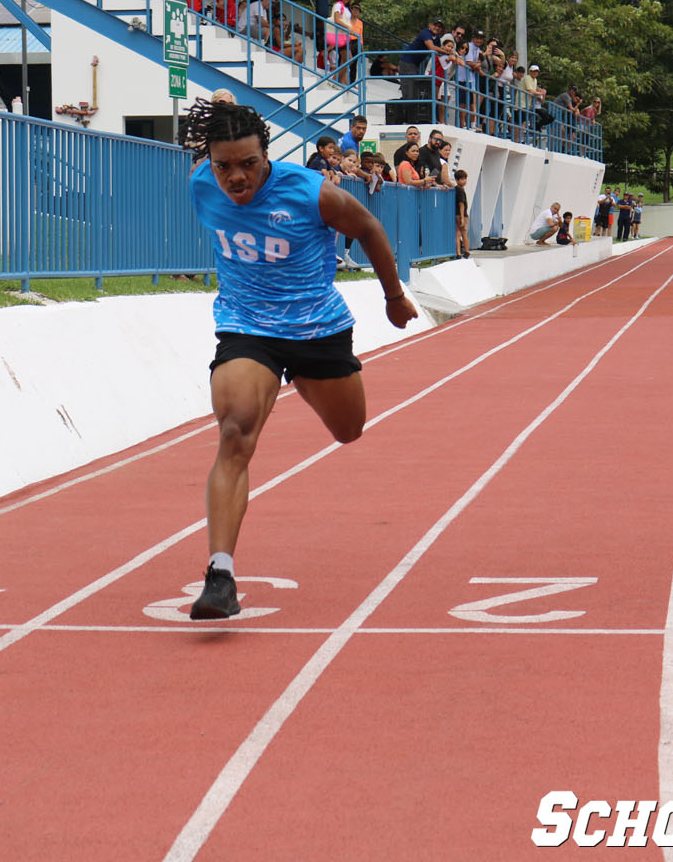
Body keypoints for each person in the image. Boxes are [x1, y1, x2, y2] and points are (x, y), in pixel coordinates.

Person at [180, 99, 418, 619]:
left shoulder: (312, 192)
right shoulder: (201, 182)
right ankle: (220, 574)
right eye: (224, 165)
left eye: (248, 163)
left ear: (267, 155)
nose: (236, 177)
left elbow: (371, 231)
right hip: (247, 329)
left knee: (349, 429)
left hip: (317, 330)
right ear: (210, 162)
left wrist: (393, 296)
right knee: (234, 431)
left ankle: (304, 381)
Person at [454, 168, 471, 259]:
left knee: (457, 234)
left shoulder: (455, 189)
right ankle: (467, 251)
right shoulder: (460, 190)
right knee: (464, 233)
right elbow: (461, 204)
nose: (464, 181)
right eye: (462, 179)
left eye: (465, 179)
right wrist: (462, 217)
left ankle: (458, 253)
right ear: (457, 180)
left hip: (456, 214)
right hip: (462, 215)